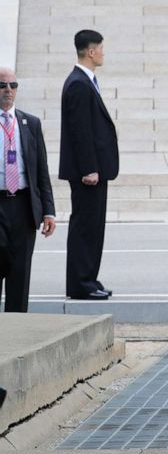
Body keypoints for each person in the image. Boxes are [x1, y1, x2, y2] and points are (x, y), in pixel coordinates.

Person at [59, 30, 118, 301]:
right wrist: (89, 169)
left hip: (94, 169)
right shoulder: (79, 84)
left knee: (93, 226)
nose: (104, 53)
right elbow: (80, 131)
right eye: (102, 49)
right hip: (88, 173)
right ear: (91, 52)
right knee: (86, 226)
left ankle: (89, 279)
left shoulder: (85, 82)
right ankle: (82, 284)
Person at [0, 68, 56, 313]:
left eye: (13, 85)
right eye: (2, 85)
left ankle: (16, 330)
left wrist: (48, 211)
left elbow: (41, 170)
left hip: (23, 204)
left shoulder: (30, 123)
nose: (8, 90)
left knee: (20, 272)